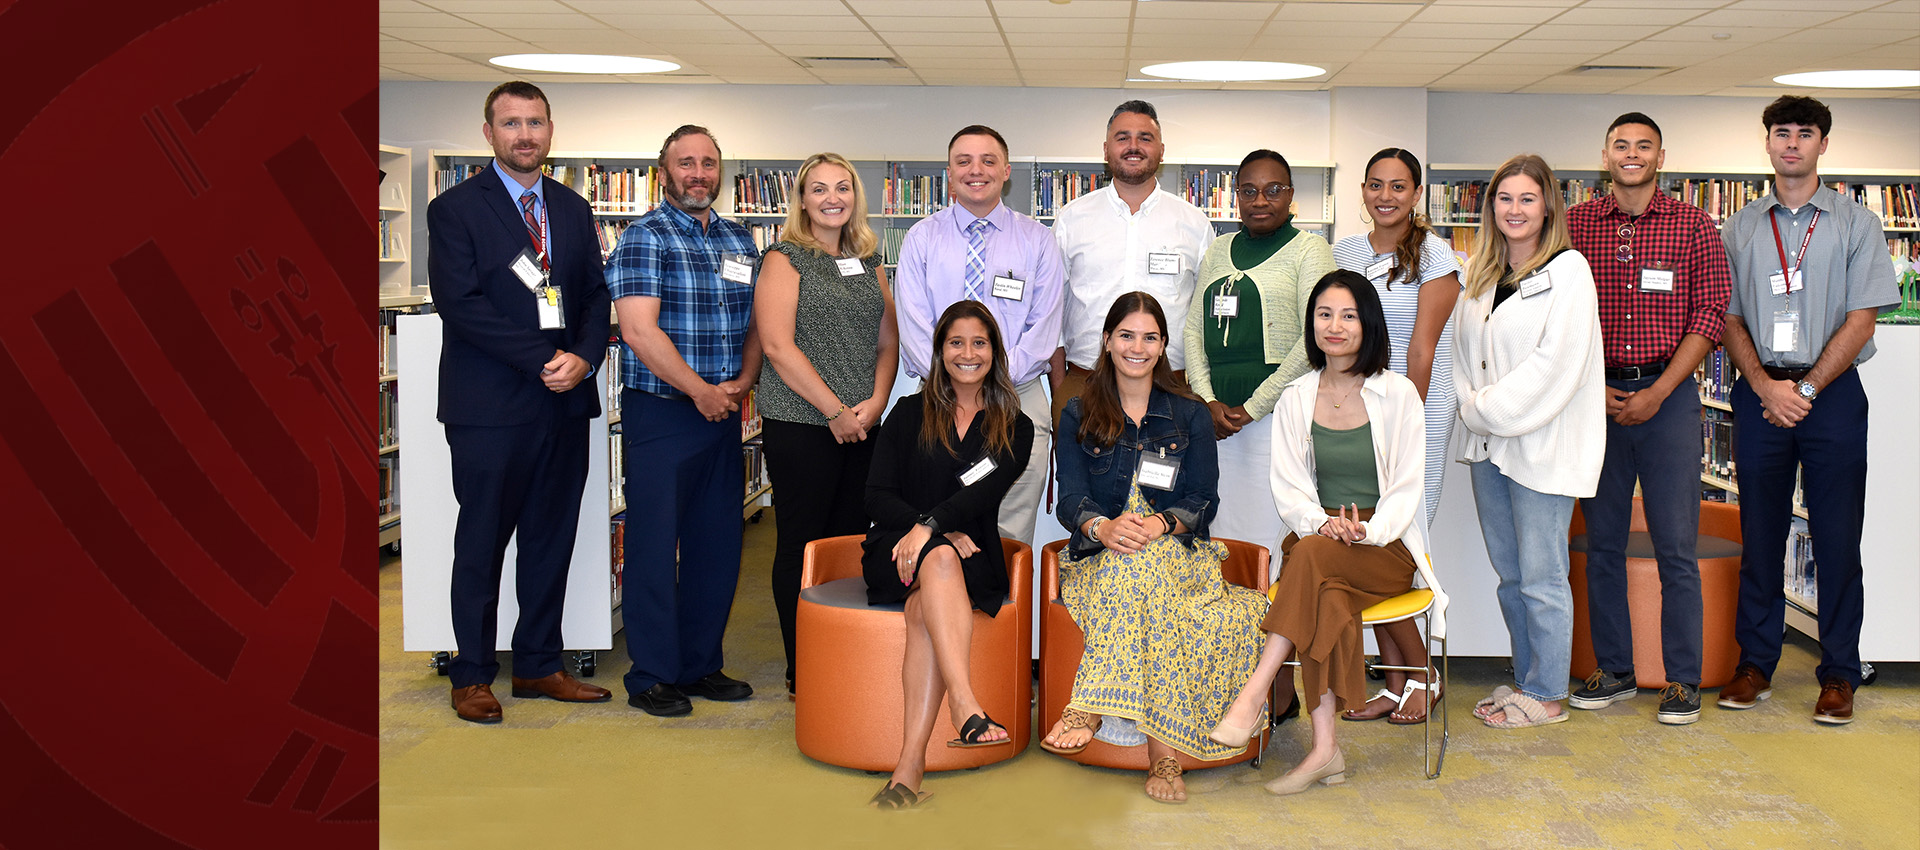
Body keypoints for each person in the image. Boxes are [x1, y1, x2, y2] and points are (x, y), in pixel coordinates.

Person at [427, 81, 613, 723]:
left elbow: (595, 294)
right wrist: (543, 360)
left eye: (535, 122)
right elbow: (462, 305)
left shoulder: (571, 206)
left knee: (550, 539)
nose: (525, 135)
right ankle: (472, 674)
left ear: (551, 130)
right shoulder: (455, 210)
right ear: (489, 133)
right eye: (511, 124)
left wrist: (586, 356)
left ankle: (538, 665)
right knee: (481, 539)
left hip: (564, 402)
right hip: (490, 409)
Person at [1210, 269, 1433, 796]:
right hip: (1319, 535)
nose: (1335, 326)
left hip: (1385, 545)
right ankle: (1324, 749)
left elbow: (1406, 489)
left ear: (1368, 324)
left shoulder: (1398, 394)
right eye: (1324, 315)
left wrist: (1367, 531)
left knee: (1308, 562)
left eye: (1349, 316)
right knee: (1324, 588)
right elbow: (1289, 489)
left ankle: (1254, 692)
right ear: (1312, 325)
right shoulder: (1296, 396)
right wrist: (1322, 523)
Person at [1043, 292, 1268, 805]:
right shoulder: (1077, 410)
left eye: (1149, 337)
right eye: (1126, 335)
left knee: (1145, 566)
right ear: (1106, 340)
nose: (1137, 347)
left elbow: (1203, 499)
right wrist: (1101, 528)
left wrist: (1163, 523)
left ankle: (1092, 704)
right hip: (1102, 554)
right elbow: (1071, 499)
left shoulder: (1189, 415)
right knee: (1133, 569)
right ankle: (1163, 760)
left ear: (1164, 345)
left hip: (1178, 551)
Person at [1716, 96, 1898, 725]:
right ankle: (1755, 665)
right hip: (1761, 392)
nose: (1792, 143)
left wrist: (1809, 390)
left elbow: (1862, 317)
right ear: (1766, 143)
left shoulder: (1855, 224)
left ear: (1824, 144)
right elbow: (1731, 317)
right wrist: (1766, 386)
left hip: (1834, 395)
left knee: (1839, 537)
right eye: (1781, 133)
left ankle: (1840, 672)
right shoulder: (1739, 228)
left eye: (1805, 134)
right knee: (1760, 535)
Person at [1566, 113, 1732, 726]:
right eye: (1620, 145)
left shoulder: (1693, 224)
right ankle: (1614, 669)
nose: (1631, 155)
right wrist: (1593, 387)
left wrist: (1660, 391)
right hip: (1596, 401)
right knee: (1601, 543)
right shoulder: (1577, 224)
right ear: (1604, 154)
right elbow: (1558, 311)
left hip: (1670, 400)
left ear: (1662, 156)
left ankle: (1682, 680)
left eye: (1643, 146)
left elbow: (1711, 314)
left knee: (1675, 546)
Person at [607, 125, 762, 717]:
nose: (698, 173)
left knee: (716, 544)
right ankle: (651, 674)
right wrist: (700, 391)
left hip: (724, 412)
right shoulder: (644, 238)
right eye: (685, 163)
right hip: (666, 415)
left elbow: (755, 325)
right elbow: (639, 331)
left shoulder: (738, 240)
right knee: (652, 545)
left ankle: (701, 664)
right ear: (663, 171)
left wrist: (743, 383)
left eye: (708, 163)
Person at [1182, 149, 1336, 721]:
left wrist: (1251, 406)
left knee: (1273, 548)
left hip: (1275, 419)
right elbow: (1195, 328)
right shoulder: (1219, 248)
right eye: (1249, 190)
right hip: (1215, 422)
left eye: (1274, 190)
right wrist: (1205, 401)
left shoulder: (1309, 250)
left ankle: (1278, 686)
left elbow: (1311, 336)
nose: (1261, 201)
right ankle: (1231, 672)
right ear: (1235, 195)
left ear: (1292, 195)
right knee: (1224, 548)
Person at [1452, 153, 1604, 730]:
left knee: (1542, 577)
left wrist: (1482, 409)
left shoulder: (1570, 272)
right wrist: (1475, 406)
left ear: (1548, 208)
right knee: (1511, 574)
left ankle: (1546, 692)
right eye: (1504, 198)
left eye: (1527, 199)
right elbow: (1463, 353)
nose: (1514, 210)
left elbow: (1555, 366)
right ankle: (1525, 678)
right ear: (1491, 206)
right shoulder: (1480, 274)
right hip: (1490, 450)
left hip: (1541, 447)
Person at [861, 301, 1033, 810]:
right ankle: (965, 703)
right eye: (955, 342)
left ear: (994, 353)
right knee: (937, 558)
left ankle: (908, 769)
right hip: (896, 550)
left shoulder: (1013, 427)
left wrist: (934, 529)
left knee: (928, 594)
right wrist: (929, 530)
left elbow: (977, 495)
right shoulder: (908, 412)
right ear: (939, 352)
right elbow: (874, 495)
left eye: (979, 343)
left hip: (968, 553)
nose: (967, 353)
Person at [754, 152, 899, 699]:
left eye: (842, 187)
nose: (832, 198)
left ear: (855, 197)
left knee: (852, 542)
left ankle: (841, 649)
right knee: (802, 541)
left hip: (863, 425)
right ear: (802, 200)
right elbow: (776, 346)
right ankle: (802, 666)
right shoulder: (784, 259)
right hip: (802, 425)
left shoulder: (869, 261)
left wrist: (876, 402)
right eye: (819, 189)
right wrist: (834, 410)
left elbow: (889, 341)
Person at [1331, 147, 1461, 725]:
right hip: (1358, 412)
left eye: (1399, 187)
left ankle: (1422, 677)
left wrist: (1396, 426)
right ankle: (1394, 681)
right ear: (1362, 191)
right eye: (1376, 186)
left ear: (1417, 195)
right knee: (1367, 537)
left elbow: (1422, 349)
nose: (1387, 197)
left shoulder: (1436, 256)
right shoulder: (1344, 254)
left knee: (1400, 542)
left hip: (1417, 410)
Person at [893, 124, 1064, 553]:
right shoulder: (922, 238)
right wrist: (957, 378)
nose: (977, 170)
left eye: (988, 161)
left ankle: (1004, 615)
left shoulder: (1038, 241)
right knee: (934, 518)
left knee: (1009, 529)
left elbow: (1043, 329)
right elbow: (913, 325)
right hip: (937, 400)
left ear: (1006, 171)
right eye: (964, 161)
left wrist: (988, 378)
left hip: (1017, 398)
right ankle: (941, 613)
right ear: (948, 174)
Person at [1050, 99, 1214, 424]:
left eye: (1145, 138)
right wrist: (1060, 385)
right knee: (1078, 476)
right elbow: (1051, 307)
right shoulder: (1072, 219)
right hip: (1086, 381)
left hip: (1171, 385)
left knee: (1169, 476)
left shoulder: (1194, 224)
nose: (1133, 146)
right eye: (1123, 138)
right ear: (1106, 150)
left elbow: (1203, 313)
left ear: (1162, 151)